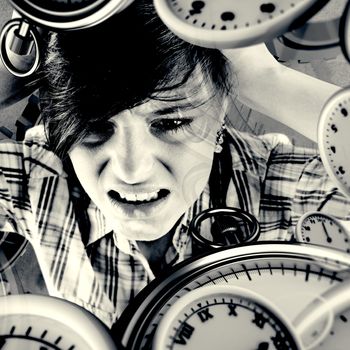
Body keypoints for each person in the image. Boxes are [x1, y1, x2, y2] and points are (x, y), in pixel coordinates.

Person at [0, 0, 349, 328]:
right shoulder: (42, 178)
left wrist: (266, 80)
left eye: (170, 123)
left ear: (222, 108)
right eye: (94, 126)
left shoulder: (277, 186)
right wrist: (13, 66)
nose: (131, 170)